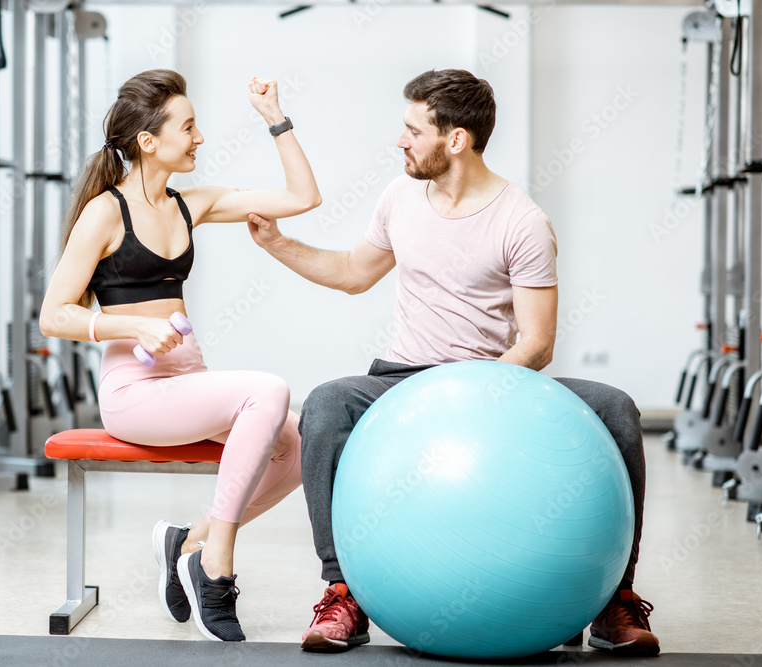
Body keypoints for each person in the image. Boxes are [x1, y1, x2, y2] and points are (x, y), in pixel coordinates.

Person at [246, 69, 659, 657]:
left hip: (495, 381)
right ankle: (344, 592)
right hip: (404, 377)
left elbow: (537, 344)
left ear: (457, 139)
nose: (400, 141)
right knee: (328, 402)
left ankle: (616, 598)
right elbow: (354, 273)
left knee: (616, 409)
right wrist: (277, 243)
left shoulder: (522, 222)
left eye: (414, 130)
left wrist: (474, 390)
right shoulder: (400, 197)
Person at [39, 69, 321, 642]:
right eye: (188, 127)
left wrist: (275, 118)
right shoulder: (105, 213)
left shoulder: (192, 203)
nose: (199, 138)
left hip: (187, 381)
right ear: (148, 141)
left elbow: (303, 197)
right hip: (133, 393)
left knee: (300, 442)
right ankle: (215, 567)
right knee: (267, 390)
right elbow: (53, 314)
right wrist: (131, 326)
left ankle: (188, 541)